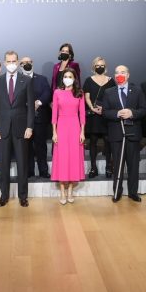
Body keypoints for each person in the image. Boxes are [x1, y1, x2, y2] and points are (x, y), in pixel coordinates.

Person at [0, 50, 35, 207]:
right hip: (2, 129)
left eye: (13, 61)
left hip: (21, 128)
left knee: (22, 164)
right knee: (3, 165)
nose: (11, 64)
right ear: (4, 63)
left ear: (18, 62)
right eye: (8, 61)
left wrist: (30, 126)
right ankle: (4, 196)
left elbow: (31, 107)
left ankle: (23, 196)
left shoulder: (26, 81)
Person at [103, 65, 146, 203]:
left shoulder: (137, 90)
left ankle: (133, 193)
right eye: (117, 73)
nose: (119, 75)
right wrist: (117, 113)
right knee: (117, 165)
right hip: (116, 134)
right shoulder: (108, 92)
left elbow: (144, 109)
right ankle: (117, 192)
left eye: (122, 72)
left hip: (133, 133)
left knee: (133, 166)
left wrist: (132, 113)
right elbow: (105, 112)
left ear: (128, 75)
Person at [51, 69, 86, 204]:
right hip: (61, 127)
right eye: (65, 76)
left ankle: (70, 190)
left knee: (73, 158)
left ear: (74, 78)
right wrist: (54, 132)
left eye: (70, 76)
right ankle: (62, 191)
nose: (67, 78)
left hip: (75, 127)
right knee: (62, 158)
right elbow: (54, 113)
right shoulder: (57, 92)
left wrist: (82, 132)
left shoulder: (79, 93)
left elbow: (82, 114)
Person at [83, 57, 115, 178]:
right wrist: (92, 108)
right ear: (94, 67)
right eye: (97, 65)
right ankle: (93, 168)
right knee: (93, 141)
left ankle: (109, 167)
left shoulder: (111, 81)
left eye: (102, 65)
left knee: (108, 141)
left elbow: (113, 98)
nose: (100, 67)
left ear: (105, 67)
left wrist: (104, 109)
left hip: (106, 115)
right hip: (93, 115)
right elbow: (86, 97)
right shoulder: (88, 80)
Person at [20, 56, 52, 178]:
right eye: (24, 63)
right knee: (26, 146)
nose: (27, 64)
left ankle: (43, 170)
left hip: (40, 118)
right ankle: (29, 171)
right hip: (23, 118)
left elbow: (47, 93)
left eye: (29, 62)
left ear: (32, 63)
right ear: (20, 65)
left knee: (41, 145)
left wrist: (38, 102)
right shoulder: (17, 79)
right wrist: (26, 104)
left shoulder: (42, 79)